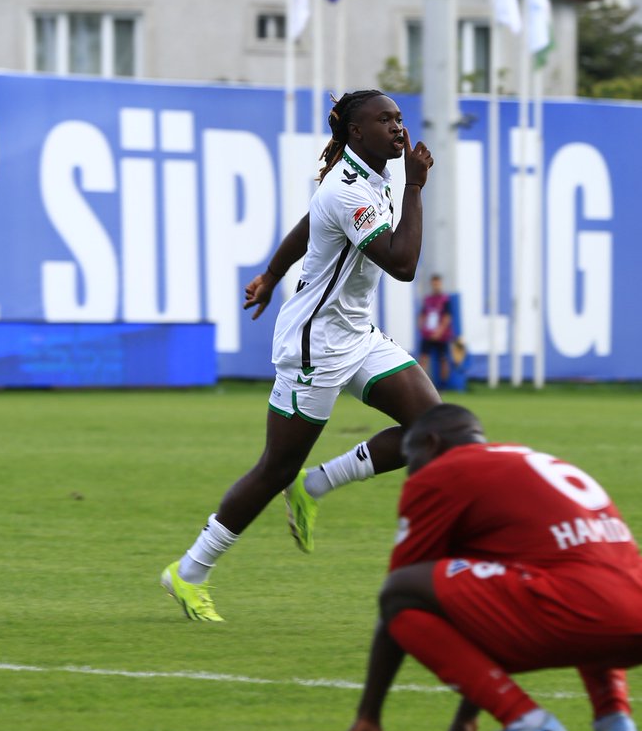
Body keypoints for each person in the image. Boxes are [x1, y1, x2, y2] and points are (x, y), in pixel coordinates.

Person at [161, 90, 443, 621]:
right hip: (315, 346)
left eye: (399, 118)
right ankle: (189, 571)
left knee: (436, 430)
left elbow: (309, 224)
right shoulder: (350, 188)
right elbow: (403, 265)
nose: (398, 128)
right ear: (356, 132)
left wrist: (271, 274)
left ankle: (316, 484)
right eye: (384, 120)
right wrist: (415, 187)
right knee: (275, 469)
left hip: (356, 335)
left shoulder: (367, 175)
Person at [341, 404, 642, 731]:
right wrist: (467, 719)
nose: (410, 472)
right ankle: (615, 724)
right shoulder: (529, 461)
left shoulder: (445, 472)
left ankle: (528, 723)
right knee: (586, 585)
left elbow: (396, 597)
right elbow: (487, 611)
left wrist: (369, 714)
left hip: (578, 608)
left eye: (409, 458)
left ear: (430, 444)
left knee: (403, 589)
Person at [418, 273, 454, 388]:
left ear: (441, 284)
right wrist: (421, 326)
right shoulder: (428, 299)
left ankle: (443, 385)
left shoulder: (445, 300)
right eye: (434, 284)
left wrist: (439, 332)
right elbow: (423, 314)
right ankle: (421, 385)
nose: (436, 286)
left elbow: (447, 318)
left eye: (437, 283)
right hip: (428, 334)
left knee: (443, 360)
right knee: (423, 359)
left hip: (441, 336)